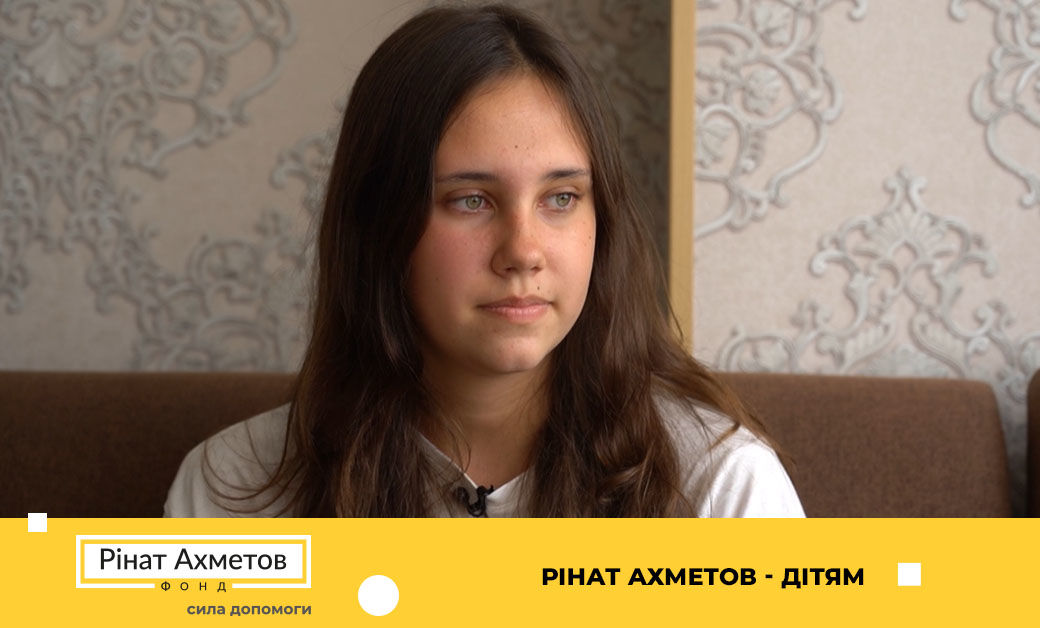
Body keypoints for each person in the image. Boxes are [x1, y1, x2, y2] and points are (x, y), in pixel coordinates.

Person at [164, 4, 803, 518]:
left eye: (561, 198)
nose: (523, 251)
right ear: (377, 222)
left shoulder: (721, 489)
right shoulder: (233, 493)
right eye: (470, 200)